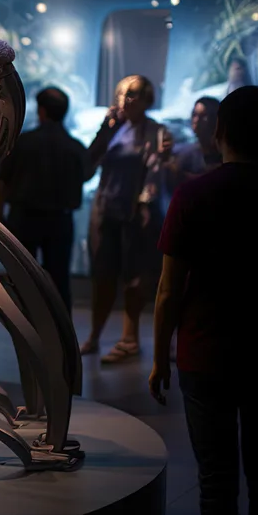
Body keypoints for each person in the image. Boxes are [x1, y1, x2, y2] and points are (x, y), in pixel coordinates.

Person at [149, 86, 258, 515]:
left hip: (203, 355)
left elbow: (168, 290)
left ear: (219, 131)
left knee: (216, 478)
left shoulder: (194, 194)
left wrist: (159, 356)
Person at [80, 75, 172, 363]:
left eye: (133, 95)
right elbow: (87, 167)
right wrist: (104, 131)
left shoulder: (156, 131)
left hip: (136, 213)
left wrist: (147, 205)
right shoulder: (112, 129)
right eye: (122, 94)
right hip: (106, 209)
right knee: (103, 275)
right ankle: (95, 335)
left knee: (135, 277)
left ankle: (129, 338)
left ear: (147, 99)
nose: (125, 100)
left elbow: (157, 172)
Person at [0, 86, 87, 312]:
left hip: (24, 219)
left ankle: (27, 331)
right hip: (60, 221)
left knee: (23, 279)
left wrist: (0, 217)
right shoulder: (75, 148)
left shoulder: (23, 142)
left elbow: (3, 182)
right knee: (59, 280)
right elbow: (85, 175)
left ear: (42, 111)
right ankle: (62, 337)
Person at [172, 96, 222, 186]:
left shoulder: (226, 151)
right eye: (194, 115)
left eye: (203, 116)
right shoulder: (186, 154)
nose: (196, 120)